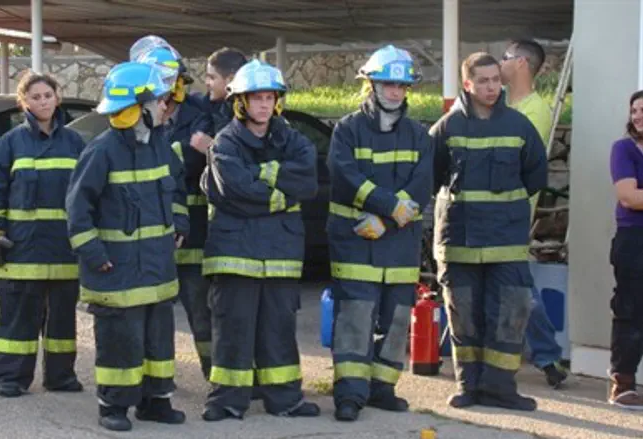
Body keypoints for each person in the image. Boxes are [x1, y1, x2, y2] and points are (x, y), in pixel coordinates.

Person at [66, 61, 189, 432]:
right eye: (158, 102)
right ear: (140, 108)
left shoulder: (160, 146)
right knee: (121, 341)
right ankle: (113, 406)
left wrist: (180, 222)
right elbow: (76, 210)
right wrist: (94, 255)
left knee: (157, 340)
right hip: (115, 269)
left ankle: (156, 401)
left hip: (156, 267)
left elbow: (178, 189)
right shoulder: (101, 152)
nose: (164, 108)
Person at [200, 59, 320, 422]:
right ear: (240, 102)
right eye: (256, 98)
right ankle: (226, 401)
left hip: (281, 252)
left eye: (269, 97)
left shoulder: (295, 140)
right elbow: (235, 190)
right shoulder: (225, 143)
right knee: (233, 328)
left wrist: (260, 180)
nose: (264, 105)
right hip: (234, 253)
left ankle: (285, 400)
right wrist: (280, 190)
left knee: (279, 328)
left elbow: (307, 183)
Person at [431, 52, 548, 411]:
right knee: (463, 317)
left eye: (496, 79)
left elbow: (535, 176)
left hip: (506, 244)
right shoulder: (447, 128)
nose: (491, 87)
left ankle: (500, 389)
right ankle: (469, 386)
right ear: (467, 84)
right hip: (460, 243)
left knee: (509, 316)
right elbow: (432, 177)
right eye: (482, 81)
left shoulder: (519, 126)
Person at [327, 45, 433, 421]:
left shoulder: (419, 135)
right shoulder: (347, 129)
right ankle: (350, 394)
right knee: (355, 320)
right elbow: (344, 177)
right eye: (388, 84)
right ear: (371, 84)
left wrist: (386, 221)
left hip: (397, 243)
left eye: (402, 86)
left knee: (397, 318)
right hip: (356, 242)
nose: (395, 92)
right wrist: (389, 207)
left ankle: (383, 389)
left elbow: (422, 183)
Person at [0, 71, 85, 397]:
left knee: (63, 322)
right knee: (17, 320)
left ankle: (61, 376)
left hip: (65, 250)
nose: (42, 102)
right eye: (35, 97)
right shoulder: (10, 143)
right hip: (21, 248)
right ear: (23, 102)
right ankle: (10, 378)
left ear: (58, 98)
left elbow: (88, 193)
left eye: (47, 96)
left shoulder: (75, 142)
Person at [132, 36, 215, 379]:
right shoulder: (133, 113)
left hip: (194, 231)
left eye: (172, 79)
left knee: (201, 309)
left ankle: (214, 374)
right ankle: (153, 380)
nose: (168, 87)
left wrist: (169, 155)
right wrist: (182, 151)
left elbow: (194, 165)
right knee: (150, 310)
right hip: (148, 229)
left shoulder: (200, 112)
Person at [501, 39, 569, 388]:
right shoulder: (499, 102)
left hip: (511, 214)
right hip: (482, 211)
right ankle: (545, 356)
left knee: (517, 283)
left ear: (523, 64)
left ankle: (547, 356)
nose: (501, 62)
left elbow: (514, 158)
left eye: (506, 57)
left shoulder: (535, 111)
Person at [607, 89, 643, 410]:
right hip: (634, 240)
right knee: (631, 308)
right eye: (634, 110)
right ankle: (623, 383)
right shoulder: (624, 150)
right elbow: (629, 197)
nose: (638, 116)